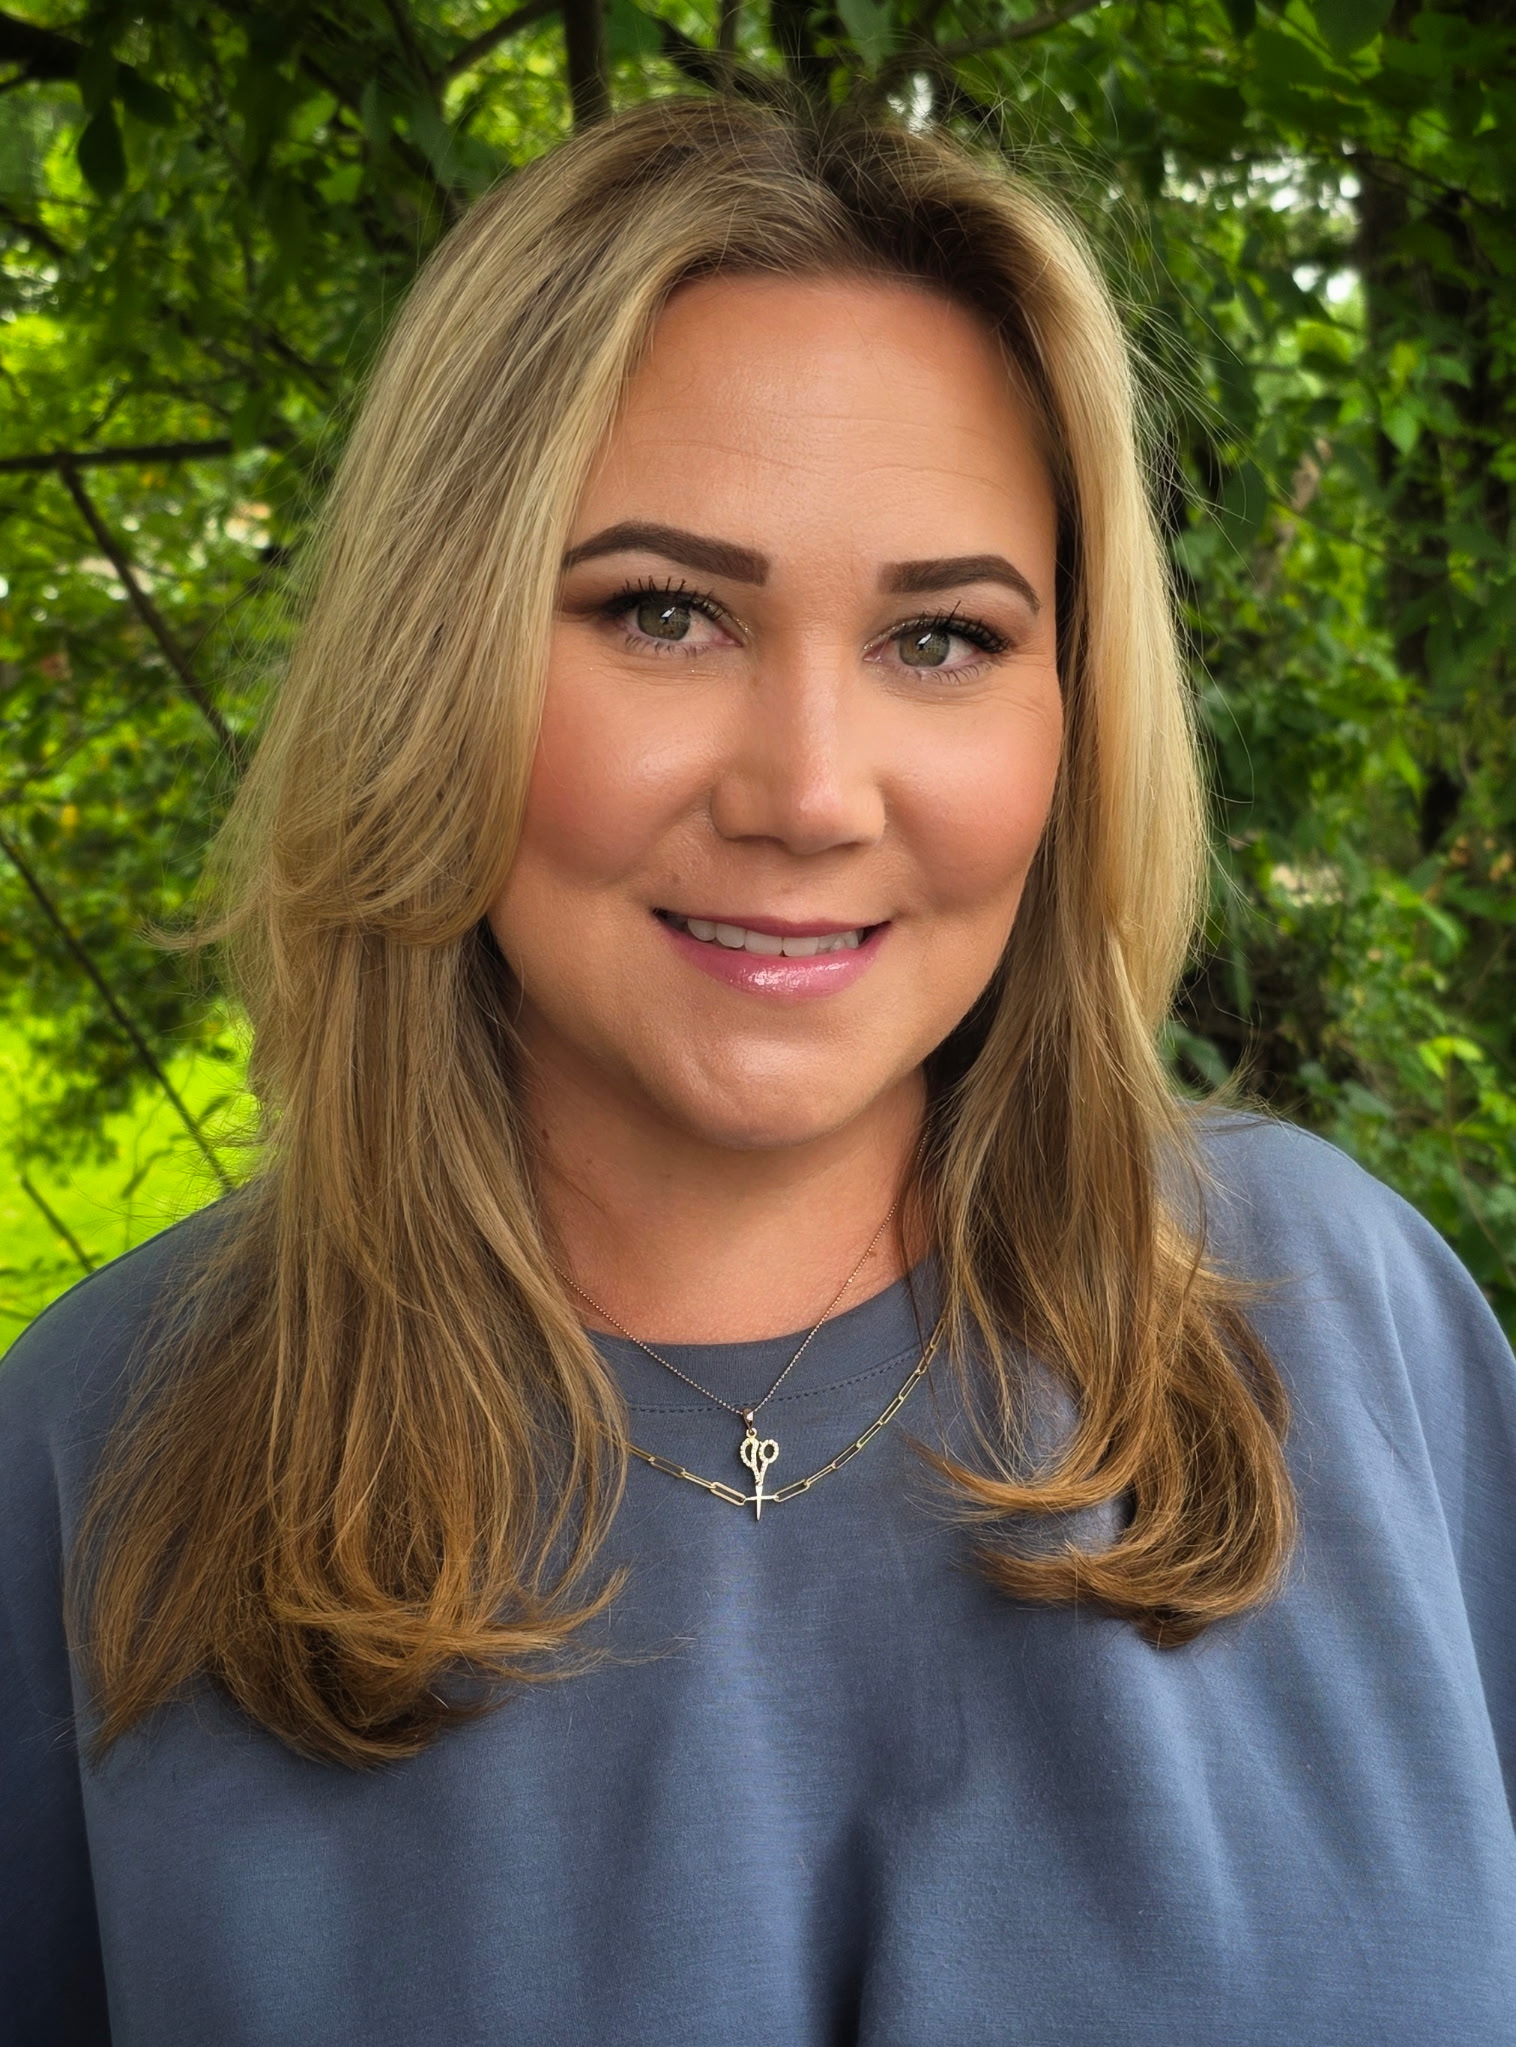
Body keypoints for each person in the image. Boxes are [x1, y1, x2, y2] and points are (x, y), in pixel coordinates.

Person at [3, 93, 1513, 2047]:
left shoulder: (1349, 1323)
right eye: (661, 611)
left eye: (942, 638)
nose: (805, 792)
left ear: (1072, 714)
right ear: (435, 660)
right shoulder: (91, 1459)